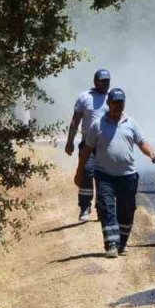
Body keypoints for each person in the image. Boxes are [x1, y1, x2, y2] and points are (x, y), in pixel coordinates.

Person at [76, 88, 155, 258]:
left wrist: (151, 153)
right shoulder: (97, 125)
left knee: (127, 211)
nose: (118, 106)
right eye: (115, 103)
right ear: (108, 103)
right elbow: (86, 150)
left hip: (127, 176)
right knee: (106, 208)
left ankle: (122, 242)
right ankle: (111, 244)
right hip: (104, 176)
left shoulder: (131, 123)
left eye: (121, 103)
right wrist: (79, 172)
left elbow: (142, 142)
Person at [64, 68, 112, 222]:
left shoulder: (112, 97)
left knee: (104, 177)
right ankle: (85, 206)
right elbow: (75, 121)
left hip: (106, 145)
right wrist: (70, 142)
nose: (105, 84)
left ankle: (102, 208)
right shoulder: (84, 97)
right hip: (88, 144)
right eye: (102, 81)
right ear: (95, 82)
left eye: (107, 81)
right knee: (86, 171)